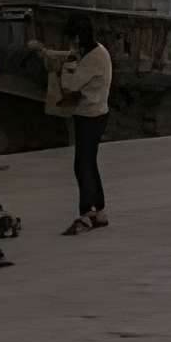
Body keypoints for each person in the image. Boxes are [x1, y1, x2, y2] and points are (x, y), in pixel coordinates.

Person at [33, 18, 112, 234]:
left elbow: (70, 85)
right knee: (89, 163)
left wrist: (64, 66)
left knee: (82, 165)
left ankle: (86, 213)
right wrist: (46, 52)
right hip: (97, 113)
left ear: (77, 38)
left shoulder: (92, 59)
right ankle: (99, 211)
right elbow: (69, 57)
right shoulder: (98, 50)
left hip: (90, 116)